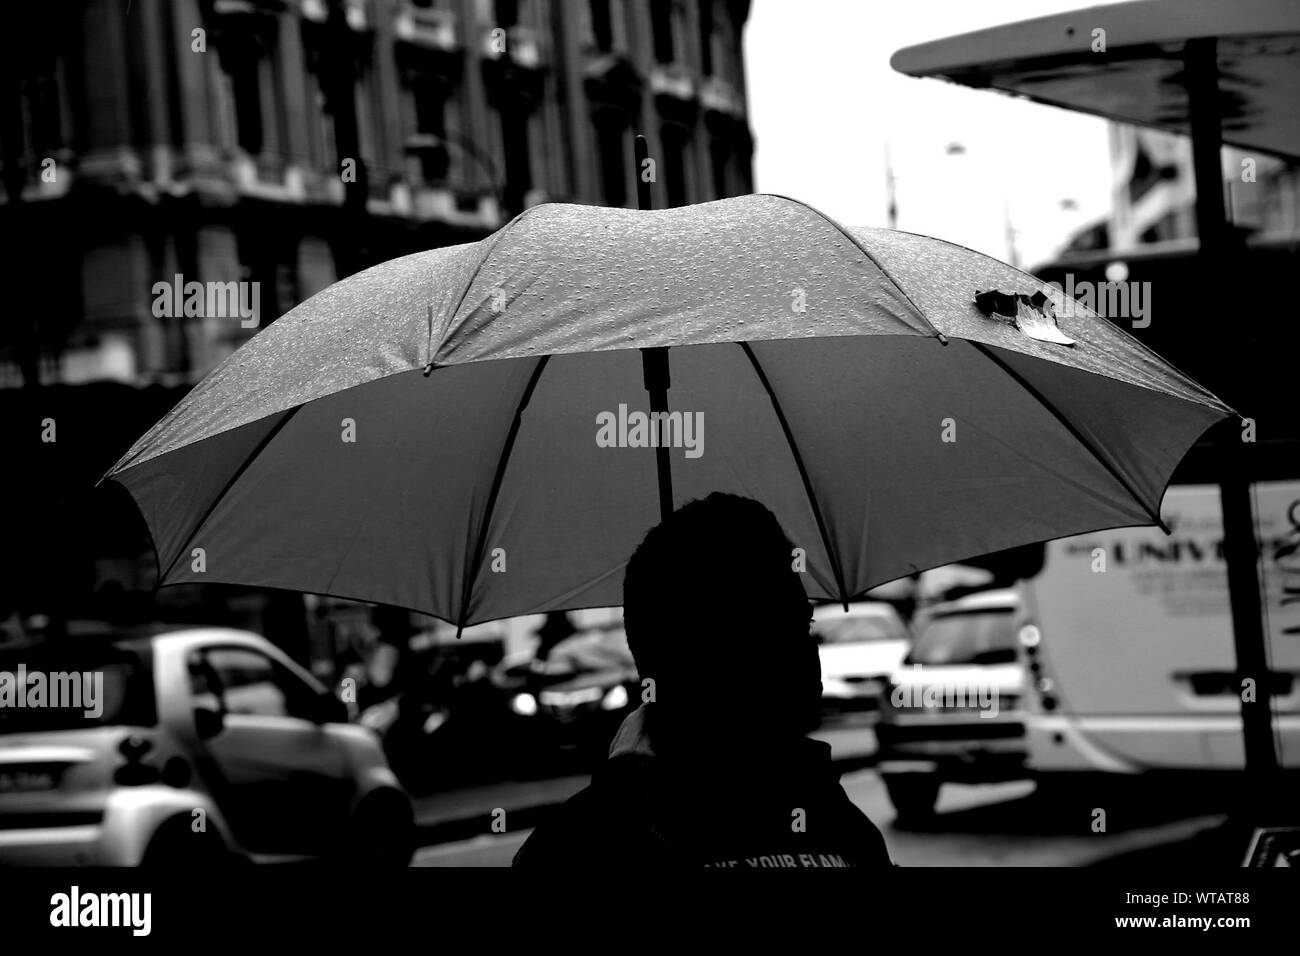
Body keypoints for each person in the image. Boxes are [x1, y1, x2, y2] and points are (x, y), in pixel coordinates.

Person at [513, 492, 893, 868]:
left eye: (804, 625)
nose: (809, 651)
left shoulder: (837, 819)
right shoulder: (581, 849)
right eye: (772, 628)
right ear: (699, 654)